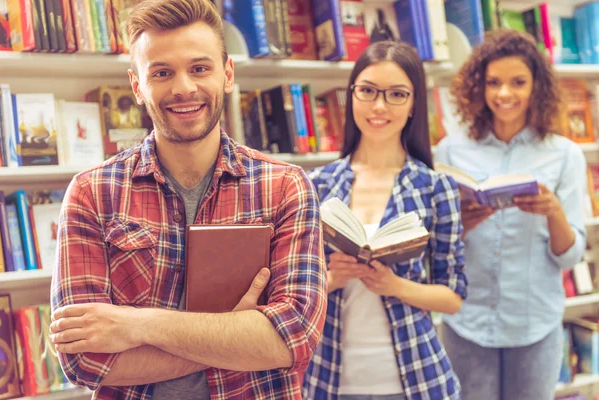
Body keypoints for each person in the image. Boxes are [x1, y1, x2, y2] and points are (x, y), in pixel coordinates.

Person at [48, 0, 327, 399]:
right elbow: (84, 361)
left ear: (227, 74)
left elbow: (293, 338)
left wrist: (136, 325)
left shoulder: (286, 186)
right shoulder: (92, 193)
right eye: (162, 72)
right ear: (137, 87)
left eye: (200, 68)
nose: (183, 88)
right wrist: (235, 332)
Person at [302, 40, 468, 400]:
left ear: (413, 105)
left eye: (396, 94)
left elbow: (453, 296)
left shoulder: (436, 187)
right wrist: (332, 279)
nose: (379, 106)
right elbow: (293, 292)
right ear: (351, 96)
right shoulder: (315, 185)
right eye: (367, 91)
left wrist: (393, 285)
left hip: (415, 380)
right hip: (328, 379)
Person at [436, 29, 587, 400]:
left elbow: (570, 254)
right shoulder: (451, 151)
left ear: (536, 87)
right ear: (479, 87)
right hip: (466, 321)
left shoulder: (564, 154)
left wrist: (553, 211)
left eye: (518, 82)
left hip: (535, 324)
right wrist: (464, 223)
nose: (505, 94)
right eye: (494, 83)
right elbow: (435, 247)